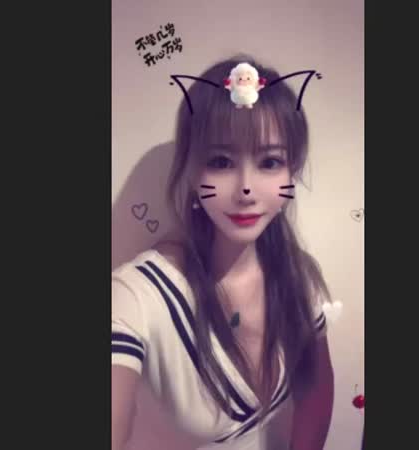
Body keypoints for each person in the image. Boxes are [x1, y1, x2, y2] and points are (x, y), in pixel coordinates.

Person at [111, 55, 335, 450]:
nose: (246, 188)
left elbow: (316, 387)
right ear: (192, 171)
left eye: (270, 162)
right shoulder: (135, 297)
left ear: (292, 170)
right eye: (221, 162)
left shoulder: (297, 273)